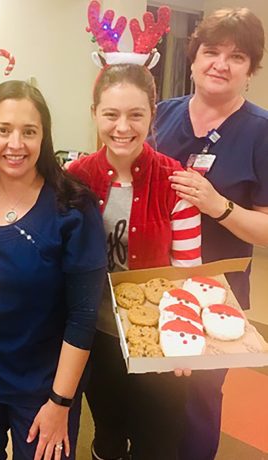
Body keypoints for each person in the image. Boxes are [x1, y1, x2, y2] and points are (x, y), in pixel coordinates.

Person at [0, 80, 107, 460]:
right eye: (3, 130)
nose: (15, 144)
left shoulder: (73, 206)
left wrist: (60, 401)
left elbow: (83, 317)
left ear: (44, 137)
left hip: (43, 381)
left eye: (29, 132)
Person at [68, 64, 202, 460]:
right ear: (94, 113)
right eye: (111, 114)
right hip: (96, 337)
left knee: (158, 441)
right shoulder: (75, 179)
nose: (122, 126)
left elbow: (186, 271)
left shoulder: (174, 181)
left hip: (158, 341)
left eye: (135, 114)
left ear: (152, 115)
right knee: (108, 434)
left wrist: (182, 338)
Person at [152, 7, 268, 460]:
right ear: (194, 57)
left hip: (218, 290)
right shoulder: (162, 115)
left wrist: (218, 206)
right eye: (211, 51)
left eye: (237, 56)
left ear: (250, 70)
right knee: (153, 392)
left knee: (200, 397)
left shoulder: (260, 132)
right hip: (155, 282)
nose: (221, 63)